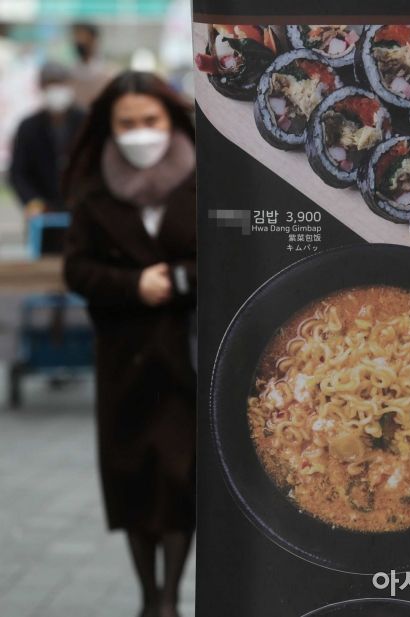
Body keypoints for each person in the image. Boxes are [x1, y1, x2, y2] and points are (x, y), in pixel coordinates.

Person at [63, 71, 197, 617]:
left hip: (187, 351)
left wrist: (178, 280)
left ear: (170, 120)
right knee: (133, 478)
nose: (141, 133)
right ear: (110, 129)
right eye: (127, 124)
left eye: (150, 120)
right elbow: (77, 269)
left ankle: (168, 600)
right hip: (125, 355)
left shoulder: (205, 179)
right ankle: (147, 596)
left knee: (182, 477)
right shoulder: (94, 189)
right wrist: (132, 285)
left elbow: (232, 252)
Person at [9, 61, 85, 218]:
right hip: (43, 212)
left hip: (81, 209)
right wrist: (32, 200)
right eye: (50, 85)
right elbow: (18, 173)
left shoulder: (85, 121)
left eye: (60, 83)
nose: (55, 90)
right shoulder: (28, 127)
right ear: (41, 88)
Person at [71, 22, 117, 108]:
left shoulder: (109, 73)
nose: (79, 41)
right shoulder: (70, 74)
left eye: (83, 37)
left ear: (94, 40)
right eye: (76, 37)